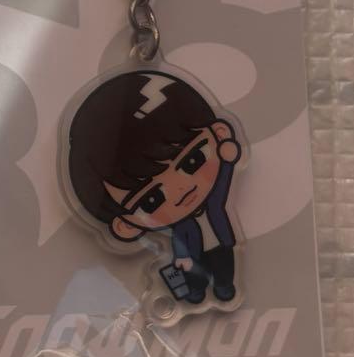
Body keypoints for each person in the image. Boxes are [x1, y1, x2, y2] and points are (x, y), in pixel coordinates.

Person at [66, 70, 242, 305]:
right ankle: (195, 293)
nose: (180, 189)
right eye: (152, 199)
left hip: (223, 245)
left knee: (224, 273)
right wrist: (182, 258)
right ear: (126, 226)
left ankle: (224, 287)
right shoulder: (180, 227)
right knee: (194, 280)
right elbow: (180, 242)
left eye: (192, 161)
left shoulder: (214, 203)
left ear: (219, 134)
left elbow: (222, 183)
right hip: (192, 259)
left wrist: (227, 162)